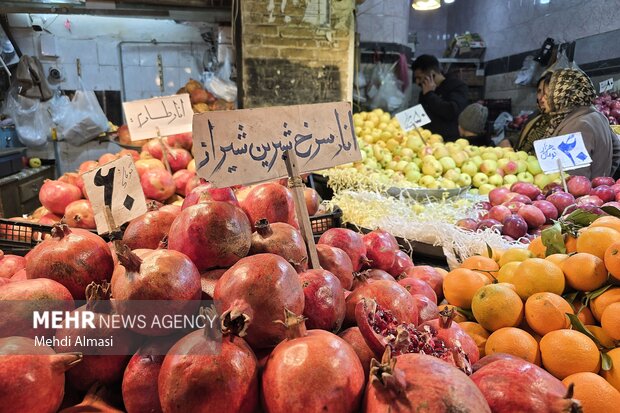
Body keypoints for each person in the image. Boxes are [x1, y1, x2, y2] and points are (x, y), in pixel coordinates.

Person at [517, 68, 620, 178]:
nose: (542, 99)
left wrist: (594, 182)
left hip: (579, 193)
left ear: (563, 95)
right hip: (595, 190)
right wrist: (604, 178)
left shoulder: (577, 125)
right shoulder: (596, 115)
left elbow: (573, 178)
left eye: (548, 95)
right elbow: (617, 151)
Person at [412, 54, 469, 141]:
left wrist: (430, 95)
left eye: (419, 78)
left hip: (450, 143)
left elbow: (451, 111)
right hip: (427, 141)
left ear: (432, 74)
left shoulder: (457, 86)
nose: (417, 82)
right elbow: (421, 116)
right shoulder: (424, 92)